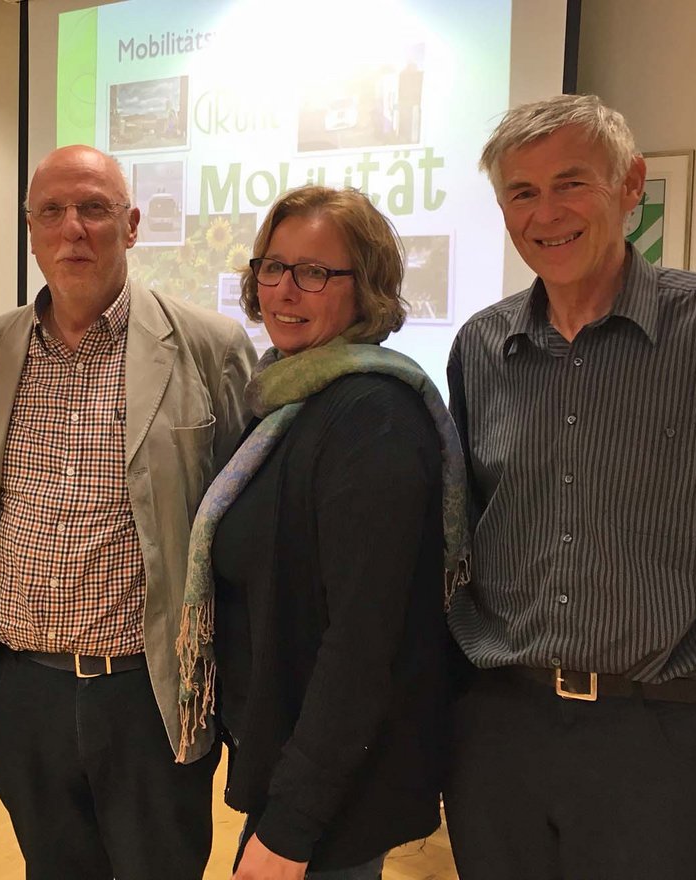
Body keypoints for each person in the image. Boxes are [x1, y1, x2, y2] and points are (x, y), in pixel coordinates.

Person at [444, 93, 696, 880]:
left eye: (571, 183)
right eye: (522, 192)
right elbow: (460, 553)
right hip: (495, 733)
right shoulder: (481, 348)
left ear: (630, 184)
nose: (545, 214)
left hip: (655, 744)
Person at [0, 144, 256, 879]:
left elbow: (241, 532)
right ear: (30, 230)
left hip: (147, 695)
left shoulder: (210, 349)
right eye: (51, 212)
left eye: (94, 208)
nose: (73, 229)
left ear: (133, 224)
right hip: (22, 695)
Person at [176, 185, 471, 879]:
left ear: (365, 287)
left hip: (331, 792)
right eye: (273, 267)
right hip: (294, 764)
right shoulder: (286, 397)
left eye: (314, 272)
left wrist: (292, 824)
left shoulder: (373, 416)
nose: (285, 289)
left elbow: (361, 646)